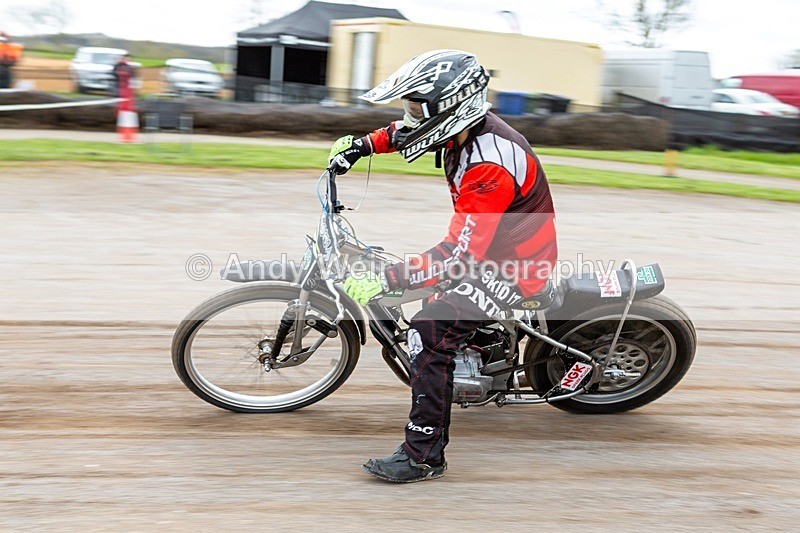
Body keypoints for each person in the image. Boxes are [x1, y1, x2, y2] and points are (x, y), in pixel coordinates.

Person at [329, 50, 558, 483]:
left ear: (453, 107)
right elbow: (411, 130)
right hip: (491, 251)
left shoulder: (488, 164)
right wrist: (362, 146)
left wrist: (386, 279)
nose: (410, 115)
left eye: (419, 107)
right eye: (410, 106)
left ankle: (424, 455)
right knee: (408, 278)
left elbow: (458, 257)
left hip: (514, 267)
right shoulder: (461, 131)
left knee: (427, 332)